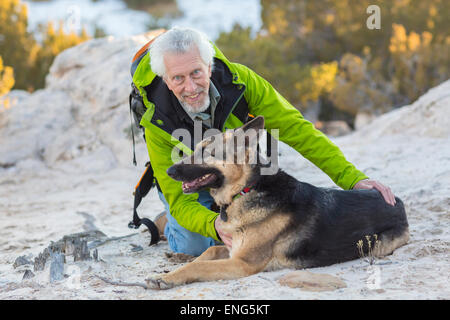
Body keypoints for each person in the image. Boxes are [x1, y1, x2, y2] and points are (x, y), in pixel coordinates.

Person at [131, 27, 396, 256]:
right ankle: (169, 224)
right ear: (166, 80)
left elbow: (298, 130)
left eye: (196, 73)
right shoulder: (156, 119)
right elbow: (181, 201)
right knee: (194, 246)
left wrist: (353, 179)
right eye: (178, 78)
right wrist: (215, 225)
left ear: (209, 67)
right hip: (193, 184)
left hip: (239, 178)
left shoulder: (242, 82)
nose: (190, 87)